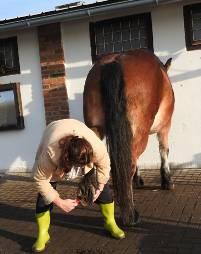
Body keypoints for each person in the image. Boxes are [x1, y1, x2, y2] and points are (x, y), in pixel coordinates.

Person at [32, 119, 125, 253]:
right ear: (67, 159)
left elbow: (104, 167)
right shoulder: (50, 153)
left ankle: (110, 222)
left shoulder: (96, 147)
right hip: (53, 132)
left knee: (105, 189)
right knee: (44, 197)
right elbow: (39, 179)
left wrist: (98, 189)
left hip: (78, 130)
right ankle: (43, 234)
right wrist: (60, 202)